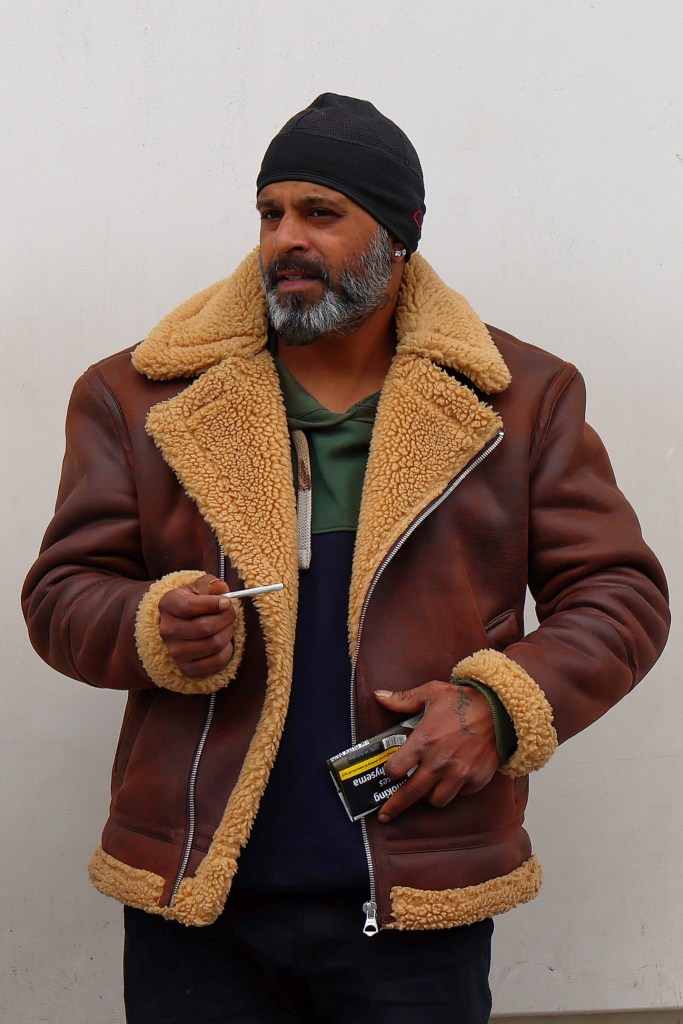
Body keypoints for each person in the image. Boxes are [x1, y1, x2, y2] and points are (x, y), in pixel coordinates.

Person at [22, 93, 669, 1024]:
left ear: (400, 235)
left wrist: (497, 705)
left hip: (418, 902)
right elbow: (59, 594)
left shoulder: (520, 399)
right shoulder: (135, 395)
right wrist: (147, 622)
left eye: (320, 213)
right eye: (270, 212)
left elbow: (618, 595)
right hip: (195, 902)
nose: (286, 238)